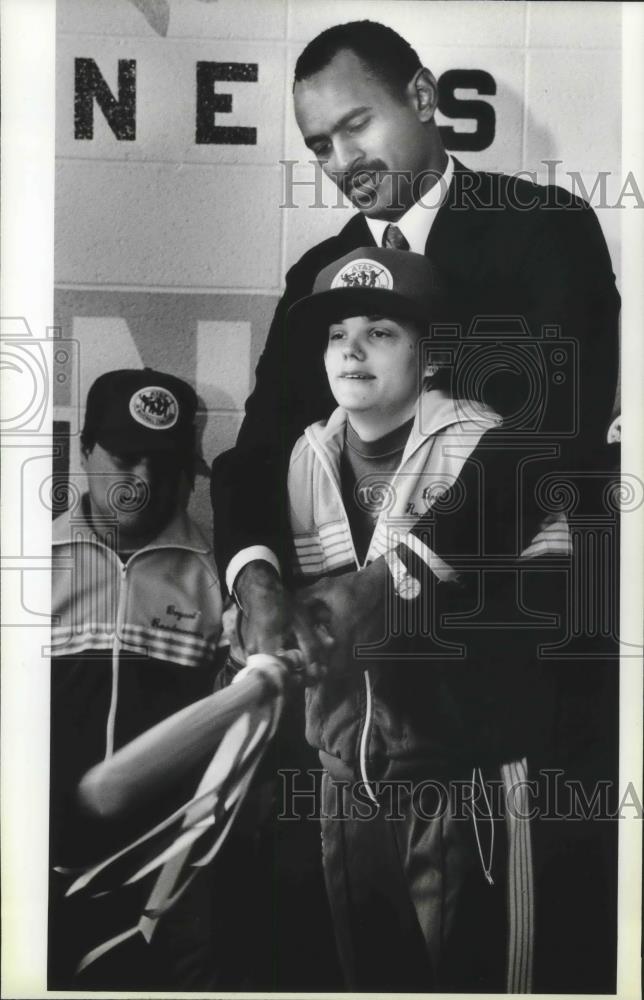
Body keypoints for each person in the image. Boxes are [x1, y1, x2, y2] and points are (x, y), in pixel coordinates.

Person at [49, 368, 223, 989]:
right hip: (42, 861)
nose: (143, 481)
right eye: (126, 457)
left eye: (164, 462)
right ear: (85, 449)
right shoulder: (31, 561)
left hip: (166, 871)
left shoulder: (219, 577)